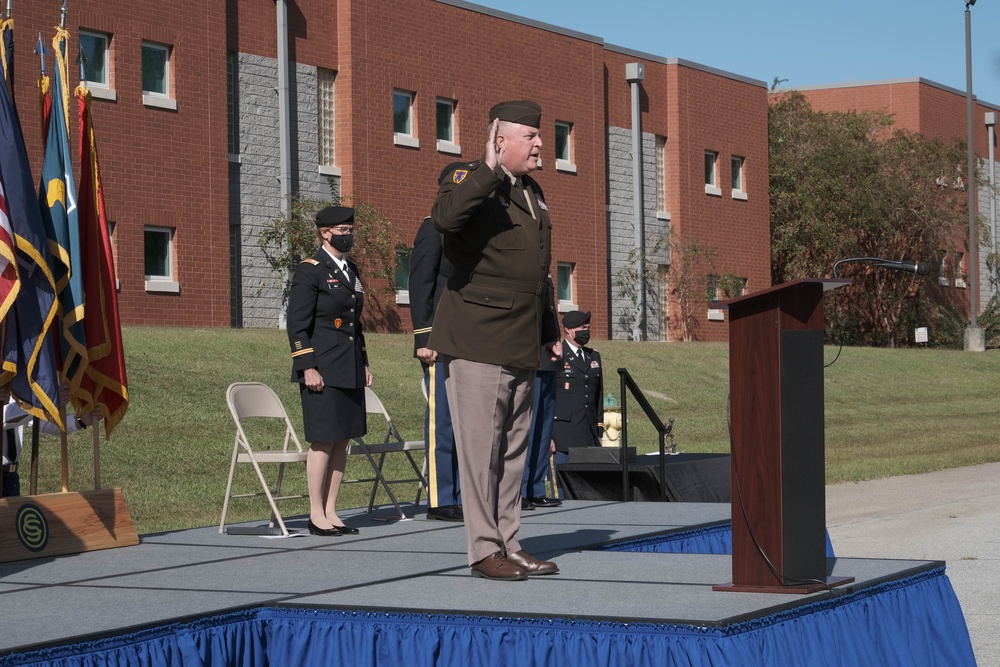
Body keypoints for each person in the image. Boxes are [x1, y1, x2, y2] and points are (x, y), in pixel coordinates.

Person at [430, 100, 562, 581]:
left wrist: (550, 330)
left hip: (522, 339)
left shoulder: (531, 191)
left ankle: (509, 540)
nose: (539, 143)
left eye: (538, 135)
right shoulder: (469, 179)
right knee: (481, 452)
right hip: (478, 340)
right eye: (529, 135)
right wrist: (486, 169)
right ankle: (483, 550)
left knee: (511, 452)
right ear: (499, 140)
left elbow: (538, 269)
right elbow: (445, 220)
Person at [287, 205, 372, 537]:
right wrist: (307, 365)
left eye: (350, 230)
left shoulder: (350, 269)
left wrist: (364, 363)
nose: (348, 235)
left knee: (342, 440)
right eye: (342, 230)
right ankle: (315, 513)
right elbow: (297, 324)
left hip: (348, 365)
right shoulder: (311, 271)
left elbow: (356, 324)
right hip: (321, 367)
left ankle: (332, 510)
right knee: (323, 440)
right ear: (325, 233)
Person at [409, 215, 462, 522]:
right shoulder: (433, 228)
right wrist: (424, 337)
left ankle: (461, 494)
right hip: (438, 343)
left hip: (467, 342)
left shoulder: (468, 230)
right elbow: (421, 283)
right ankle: (441, 499)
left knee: (463, 426)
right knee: (441, 424)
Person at [1, 385, 96, 497]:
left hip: (10, 478)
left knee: (12, 515)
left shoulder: (14, 389)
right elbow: (5, 418)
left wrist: (80, 421)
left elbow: (40, 422)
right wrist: (44, 400)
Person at [551, 310, 604, 493]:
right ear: (568, 330)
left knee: (588, 488)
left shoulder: (593, 356)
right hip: (564, 435)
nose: (586, 331)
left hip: (588, 433)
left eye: (588, 328)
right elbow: (548, 397)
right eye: (582, 328)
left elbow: (597, 395)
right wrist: (549, 434)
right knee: (566, 488)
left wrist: (599, 427)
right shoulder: (557, 354)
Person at [521, 276, 561, 511]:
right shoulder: (524, 270)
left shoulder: (545, 276)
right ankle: (520, 490)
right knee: (527, 428)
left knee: (543, 431)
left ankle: (536, 488)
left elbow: (550, 312)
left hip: (547, 359)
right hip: (529, 358)